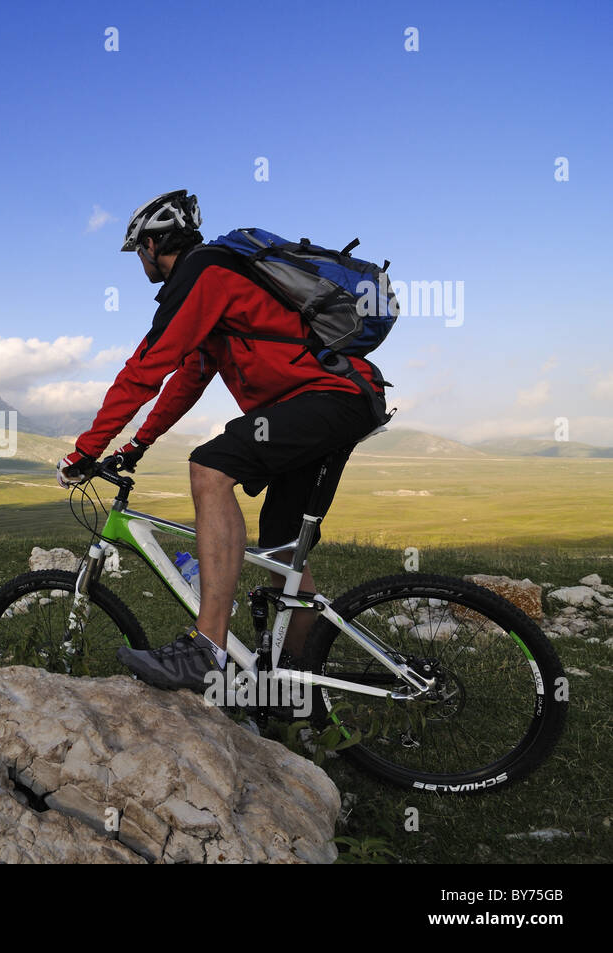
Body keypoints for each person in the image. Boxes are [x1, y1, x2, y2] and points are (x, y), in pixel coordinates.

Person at [56, 190, 388, 691]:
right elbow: (188, 379)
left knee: (209, 468)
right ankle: (301, 688)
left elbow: (146, 369)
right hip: (337, 401)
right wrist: (137, 444)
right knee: (281, 550)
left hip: (328, 397)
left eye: (138, 252)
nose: (140, 262)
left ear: (152, 244)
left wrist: (86, 452)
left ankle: (205, 649)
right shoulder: (219, 284)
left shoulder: (203, 274)